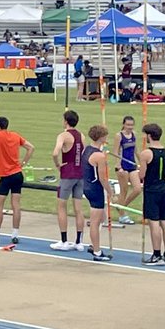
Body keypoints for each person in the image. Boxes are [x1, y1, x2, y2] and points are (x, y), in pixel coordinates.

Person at [0, 116, 34, 245]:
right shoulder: (15, 135)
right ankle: (15, 235)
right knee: (16, 205)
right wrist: (23, 163)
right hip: (17, 173)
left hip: (5, 175)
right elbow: (30, 147)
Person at [137, 123, 165, 265]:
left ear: (149, 136)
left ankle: (157, 255)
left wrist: (140, 171)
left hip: (151, 190)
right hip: (163, 189)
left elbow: (142, 175)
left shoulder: (146, 153)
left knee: (154, 223)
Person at [51, 109, 86, 251]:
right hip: (80, 172)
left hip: (67, 173)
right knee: (78, 208)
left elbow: (55, 153)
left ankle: (64, 240)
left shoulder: (63, 135)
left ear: (65, 121)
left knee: (61, 207)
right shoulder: (81, 135)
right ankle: (79, 241)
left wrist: (58, 164)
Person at [82, 125, 111, 262]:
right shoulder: (99, 156)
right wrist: (110, 192)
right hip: (95, 188)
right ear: (101, 137)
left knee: (100, 219)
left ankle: (95, 245)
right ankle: (97, 251)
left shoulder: (86, 150)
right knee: (95, 221)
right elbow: (103, 178)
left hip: (87, 186)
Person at [113, 115, 140, 224]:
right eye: (128, 125)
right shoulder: (119, 136)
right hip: (122, 166)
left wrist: (142, 163)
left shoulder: (134, 135)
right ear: (123, 124)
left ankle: (122, 207)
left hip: (132, 165)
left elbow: (136, 150)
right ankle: (122, 216)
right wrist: (119, 165)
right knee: (124, 191)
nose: (130, 127)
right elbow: (115, 152)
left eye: (131, 125)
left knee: (137, 189)